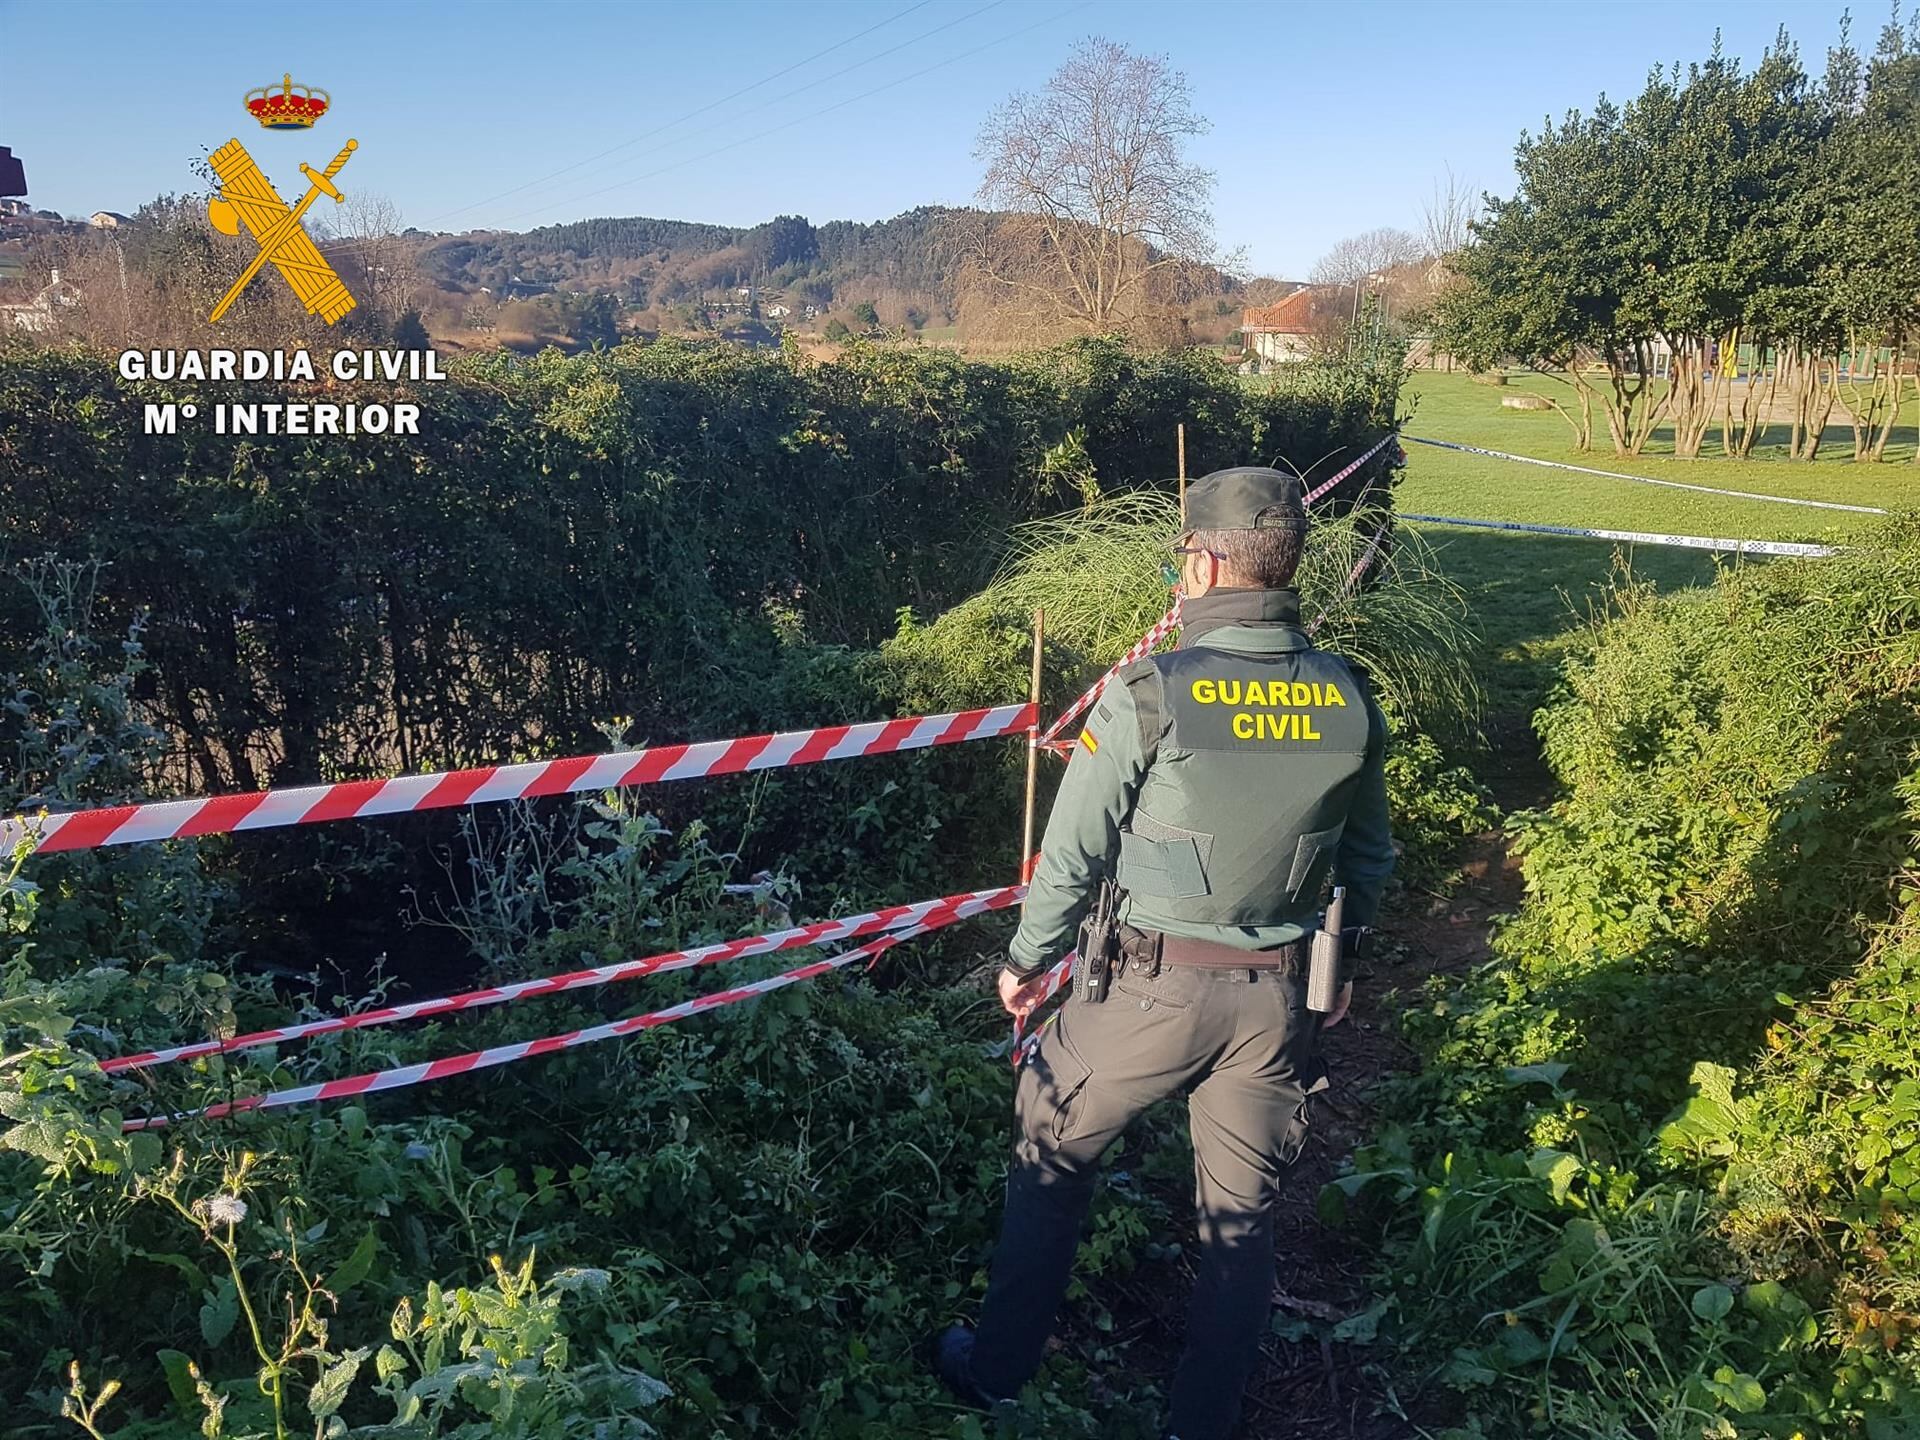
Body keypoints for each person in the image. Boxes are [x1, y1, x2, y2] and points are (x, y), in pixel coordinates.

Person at [934, 465, 1396, 1440]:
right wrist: (1341, 966)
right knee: (1242, 1226)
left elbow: (1073, 852)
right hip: (1277, 1004)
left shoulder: (1150, 693)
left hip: (1145, 991)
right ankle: (1202, 1421)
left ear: (1208, 562)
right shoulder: (1351, 697)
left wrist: (1025, 962)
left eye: (1183, 556)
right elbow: (1367, 858)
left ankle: (998, 1371)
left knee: (1049, 1145)